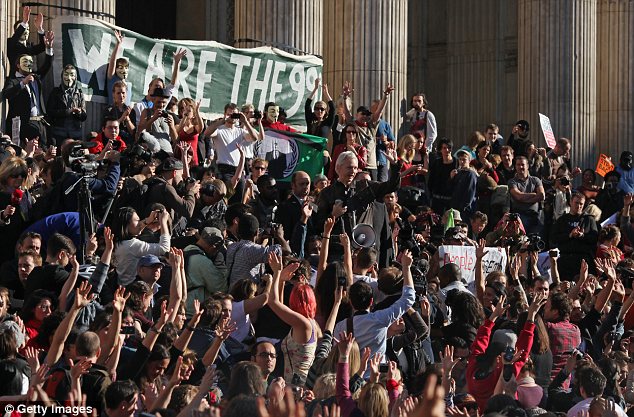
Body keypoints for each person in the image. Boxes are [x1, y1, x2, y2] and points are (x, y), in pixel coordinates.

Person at [2, 32, 54, 146]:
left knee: (43, 151)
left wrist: (49, 48)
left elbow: (47, 66)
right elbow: (6, 94)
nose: (29, 65)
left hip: (40, 122)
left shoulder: (35, 78)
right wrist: (23, 83)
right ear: (18, 65)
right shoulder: (13, 80)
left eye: (30, 62)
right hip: (24, 123)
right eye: (25, 62)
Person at [112, 207, 171, 286]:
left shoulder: (118, 242)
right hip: (135, 288)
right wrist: (163, 222)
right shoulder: (132, 245)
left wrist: (148, 220)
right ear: (126, 225)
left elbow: (136, 228)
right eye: (137, 220)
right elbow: (164, 248)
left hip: (123, 285)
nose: (140, 223)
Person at [552, 193, 599, 280]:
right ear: (570, 202)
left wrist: (582, 236)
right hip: (565, 260)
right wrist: (569, 235)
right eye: (576, 203)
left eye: (581, 204)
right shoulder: (562, 220)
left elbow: (594, 238)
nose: (578, 206)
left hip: (583, 260)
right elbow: (554, 238)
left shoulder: (588, 220)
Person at [46, 64, 87, 145]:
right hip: (59, 133)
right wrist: (67, 112)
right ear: (62, 76)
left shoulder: (79, 93)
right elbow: (50, 112)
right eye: (66, 74)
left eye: (72, 75)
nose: (69, 78)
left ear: (75, 77)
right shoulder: (56, 92)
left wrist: (79, 113)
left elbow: (84, 116)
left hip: (75, 133)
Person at [508, 156, 545, 235]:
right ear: (515, 166)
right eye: (518, 165)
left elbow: (542, 195)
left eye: (522, 164)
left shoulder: (536, 180)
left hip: (536, 216)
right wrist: (534, 194)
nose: (520, 167)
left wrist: (523, 199)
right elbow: (518, 196)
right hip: (520, 216)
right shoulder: (512, 182)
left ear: (527, 166)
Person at [7, 6, 45, 71]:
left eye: (27, 29)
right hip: (15, 79)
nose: (26, 31)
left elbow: (43, 46)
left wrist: (40, 29)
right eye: (23, 29)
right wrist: (24, 22)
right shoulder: (10, 42)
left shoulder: (29, 46)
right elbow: (14, 40)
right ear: (16, 31)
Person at [428, 137, 457, 215]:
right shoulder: (437, 163)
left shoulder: (456, 163)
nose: (447, 150)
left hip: (450, 199)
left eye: (449, 148)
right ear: (440, 149)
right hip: (437, 199)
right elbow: (431, 180)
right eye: (444, 148)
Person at [103, 80, 136, 145]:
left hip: (128, 142)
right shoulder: (108, 110)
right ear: (113, 94)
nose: (121, 95)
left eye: (123, 93)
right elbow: (106, 130)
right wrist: (122, 118)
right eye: (118, 93)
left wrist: (127, 118)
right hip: (114, 142)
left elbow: (133, 132)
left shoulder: (131, 111)